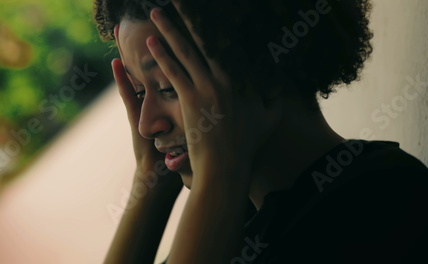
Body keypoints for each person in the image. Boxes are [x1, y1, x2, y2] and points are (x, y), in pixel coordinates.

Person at [93, 0, 428, 263]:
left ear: (259, 70)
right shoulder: (236, 222)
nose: (146, 125)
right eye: (140, 92)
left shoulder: (378, 201)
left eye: (168, 87)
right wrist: (149, 182)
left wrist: (219, 174)